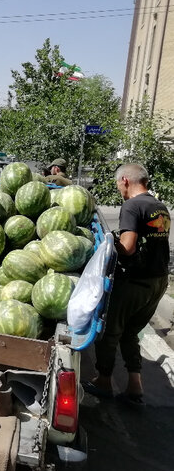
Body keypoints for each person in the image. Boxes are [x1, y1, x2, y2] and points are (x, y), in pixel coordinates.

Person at [84, 163, 171, 406]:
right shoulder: (159, 206)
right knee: (131, 332)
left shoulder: (132, 205)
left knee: (109, 330)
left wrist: (109, 243)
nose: (119, 190)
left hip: (135, 281)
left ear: (125, 180)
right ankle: (135, 386)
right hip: (158, 281)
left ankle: (103, 381)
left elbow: (129, 246)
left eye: (117, 185)